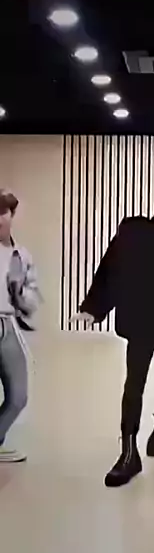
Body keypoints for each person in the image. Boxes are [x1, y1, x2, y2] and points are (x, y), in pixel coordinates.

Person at [71, 190, 154, 488]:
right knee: (135, 386)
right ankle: (128, 455)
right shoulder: (133, 230)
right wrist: (93, 309)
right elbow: (110, 269)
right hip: (142, 323)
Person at [0, 189, 40, 463]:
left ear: (12, 214)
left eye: (3, 212)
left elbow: (32, 297)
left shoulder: (20, 255)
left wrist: (20, 294)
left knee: (18, 396)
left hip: (7, 325)